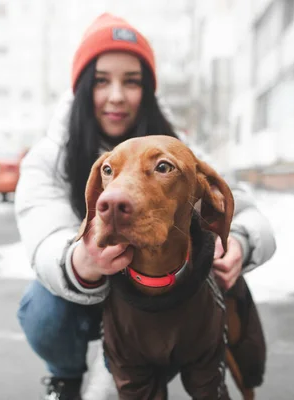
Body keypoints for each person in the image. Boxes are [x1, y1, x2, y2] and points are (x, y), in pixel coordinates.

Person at [15, 13, 276, 400]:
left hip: (162, 300)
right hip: (89, 299)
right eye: (102, 80)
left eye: (132, 81)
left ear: (148, 91)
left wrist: (237, 240)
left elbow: (245, 210)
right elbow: (44, 240)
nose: (117, 95)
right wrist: (79, 262)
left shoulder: (177, 150)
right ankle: (65, 378)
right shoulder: (48, 158)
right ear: (83, 87)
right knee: (42, 306)